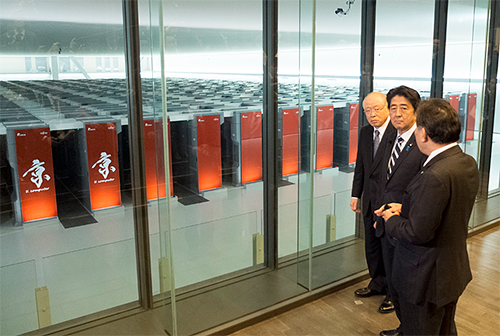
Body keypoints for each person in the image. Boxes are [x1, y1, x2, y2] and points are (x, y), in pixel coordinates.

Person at [376, 98, 479, 335]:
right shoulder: (465, 162)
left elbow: (417, 232)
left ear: (423, 134)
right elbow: (447, 208)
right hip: (451, 271)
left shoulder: (434, 175)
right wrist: (406, 207)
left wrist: (390, 219)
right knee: (444, 328)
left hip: (425, 277)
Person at [375, 86, 427, 336]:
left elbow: (424, 190)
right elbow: (383, 180)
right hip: (386, 223)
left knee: (408, 286)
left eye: (403, 108)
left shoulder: (423, 144)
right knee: (395, 284)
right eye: (392, 108)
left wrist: (403, 212)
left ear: (416, 111)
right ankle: (404, 327)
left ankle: (411, 329)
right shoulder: (389, 138)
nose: (396, 114)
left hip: (408, 225)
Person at [351, 92, 396, 314]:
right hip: (369, 199)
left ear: (387, 108)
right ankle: (377, 283)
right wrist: (355, 194)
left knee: (389, 249)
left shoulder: (397, 133)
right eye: (367, 110)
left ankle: (392, 293)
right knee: (371, 246)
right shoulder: (366, 132)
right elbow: (361, 165)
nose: (372, 114)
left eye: (377, 109)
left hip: (389, 203)